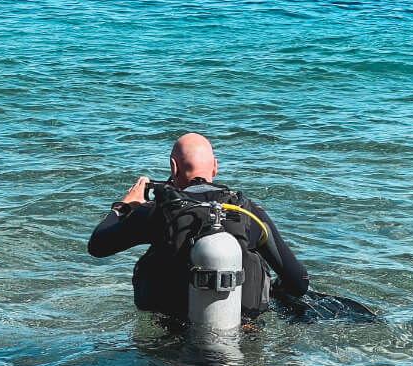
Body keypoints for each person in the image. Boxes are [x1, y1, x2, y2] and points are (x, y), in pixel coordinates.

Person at [88, 133, 309, 322]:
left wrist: (123, 207)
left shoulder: (157, 213)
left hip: (172, 331)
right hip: (238, 330)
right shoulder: (248, 212)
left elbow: (97, 246)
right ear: (215, 166)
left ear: (173, 167)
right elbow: (299, 282)